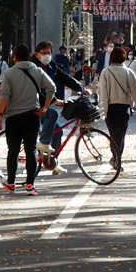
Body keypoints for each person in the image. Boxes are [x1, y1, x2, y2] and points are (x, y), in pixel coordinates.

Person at [0, 44, 56, 195]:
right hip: (32, 115)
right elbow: (51, 87)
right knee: (31, 150)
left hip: (13, 117)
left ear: (14, 57)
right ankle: (30, 184)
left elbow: (4, 95)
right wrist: (45, 107)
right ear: (29, 55)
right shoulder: (37, 70)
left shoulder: (9, 73)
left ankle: (11, 183)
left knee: (13, 151)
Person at [31, 40, 85, 175]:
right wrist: (54, 101)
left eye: (49, 53)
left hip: (45, 104)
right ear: (37, 54)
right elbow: (37, 88)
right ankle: (43, 143)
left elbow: (64, 77)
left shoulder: (51, 66)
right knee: (53, 114)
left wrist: (80, 88)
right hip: (33, 104)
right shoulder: (33, 68)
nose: (47, 56)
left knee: (58, 132)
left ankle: (52, 163)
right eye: (44, 53)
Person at [98, 46, 136, 169]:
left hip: (110, 108)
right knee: (120, 135)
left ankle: (115, 157)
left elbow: (102, 94)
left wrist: (102, 111)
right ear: (123, 58)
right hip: (124, 107)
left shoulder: (105, 72)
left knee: (112, 134)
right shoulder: (128, 72)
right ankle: (117, 158)